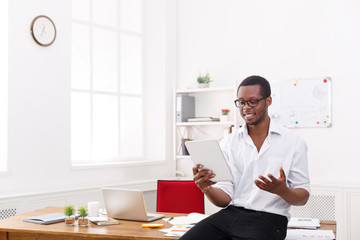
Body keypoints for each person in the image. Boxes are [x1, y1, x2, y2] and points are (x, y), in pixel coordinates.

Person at [180, 75, 310, 240]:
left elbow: (303, 197)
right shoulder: (229, 142)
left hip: (269, 219)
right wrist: (207, 188)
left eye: (253, 101)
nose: (246, 107)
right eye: (241, 102)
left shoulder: (294, 142)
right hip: (231, 214)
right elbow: (224, 200)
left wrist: (282, 191)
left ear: (268, 101)